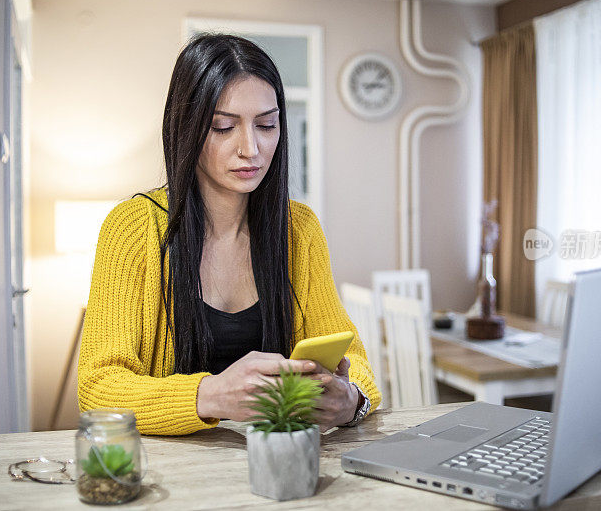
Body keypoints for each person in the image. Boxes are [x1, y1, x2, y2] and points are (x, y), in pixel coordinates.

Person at [77, 33, 381, 435]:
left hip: (279, 467)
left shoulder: (299, 230)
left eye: (267, 124)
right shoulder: (133, 229)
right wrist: (213, 395)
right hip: (170, 477)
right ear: (186, 128)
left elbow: (352, 358)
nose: (251, 148)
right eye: (223, 127)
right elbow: (98, 387)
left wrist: (351, 399)